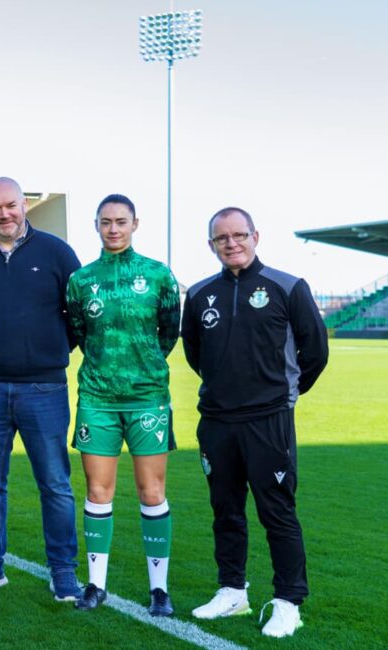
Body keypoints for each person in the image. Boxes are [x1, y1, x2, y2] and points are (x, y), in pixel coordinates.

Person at [182, 207, 328, 638]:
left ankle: (288, 602)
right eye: (221, 238)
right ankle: (232, 591)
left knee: (277, 512)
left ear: (255, 236)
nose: (231, 243)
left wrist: (284, 393)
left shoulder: (287, 286)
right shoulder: (200, 294)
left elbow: (315, 351)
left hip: (269, 421)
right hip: (217, 422)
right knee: (225, 511)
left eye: (239, 235)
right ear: (212, 244)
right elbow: (195, 353)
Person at [0, 176, 84, 600]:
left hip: (44, 389)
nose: (3, 214)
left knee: (55, 485)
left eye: (10, 205)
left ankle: (63, 572)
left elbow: (76, 315)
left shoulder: (57, 252)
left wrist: (46, 351)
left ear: (24, 204)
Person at [64, 194, 181, 615]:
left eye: (121, 222)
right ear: (96, 225)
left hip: (148, 397)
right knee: (98, 490)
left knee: (152, 492)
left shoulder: (158, 275)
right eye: (106, 222)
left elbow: (169, 331)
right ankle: (95, 586)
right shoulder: (81, 280)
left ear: (135, 224)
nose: (113, 229)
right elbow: (78, 330)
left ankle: (159, 591)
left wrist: (141, 366)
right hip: (97, 397)